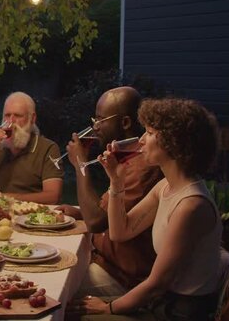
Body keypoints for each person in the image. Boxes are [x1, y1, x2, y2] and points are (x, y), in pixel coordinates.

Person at [73, 98, 223, 320]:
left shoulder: (192, 206)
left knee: (75, 313)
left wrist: (108, 308)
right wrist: (116, 182)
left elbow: (157, 284)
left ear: (175, 142)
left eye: (150, 133)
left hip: (177, 311)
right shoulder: (165, 187)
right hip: (160, 302)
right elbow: (119, 232)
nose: (141, 140)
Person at [56, 87, 162, 297]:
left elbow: (97, 222)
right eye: (95, 119)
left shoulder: (142, 168)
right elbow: (109, 212)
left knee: (52, 291)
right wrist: (79, 212)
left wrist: (80, 164)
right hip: (102, 261)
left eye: (101, 119)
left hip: (121, 277)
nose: (95, 127)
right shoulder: (127, 157)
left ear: (125, 123)